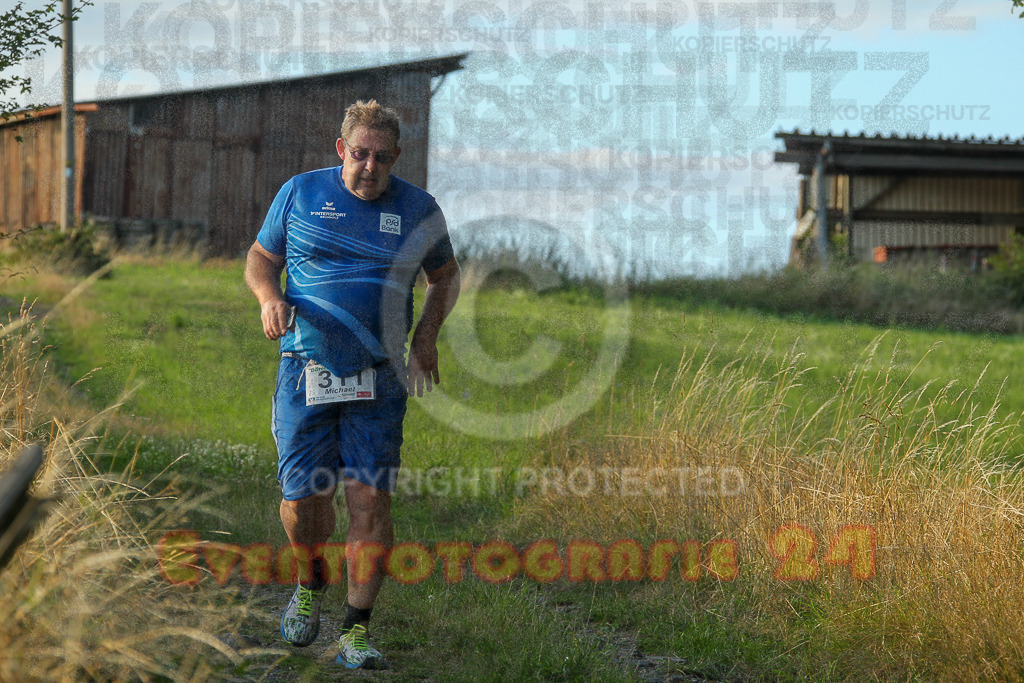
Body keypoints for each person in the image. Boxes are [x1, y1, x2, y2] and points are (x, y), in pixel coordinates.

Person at [244, 99, 460, 669]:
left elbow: (446, 276)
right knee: (304, 504)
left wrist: (426, 339)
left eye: (382, 158)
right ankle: (309, 583)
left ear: (396, 157)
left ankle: (355, 631)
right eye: (360, 154)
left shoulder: (419, 210)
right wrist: (269, 297)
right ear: (342, 149)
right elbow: (262, 258)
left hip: (380, 378)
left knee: (369, 500)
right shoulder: (300, 193)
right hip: (305, 370)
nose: (370, 167)